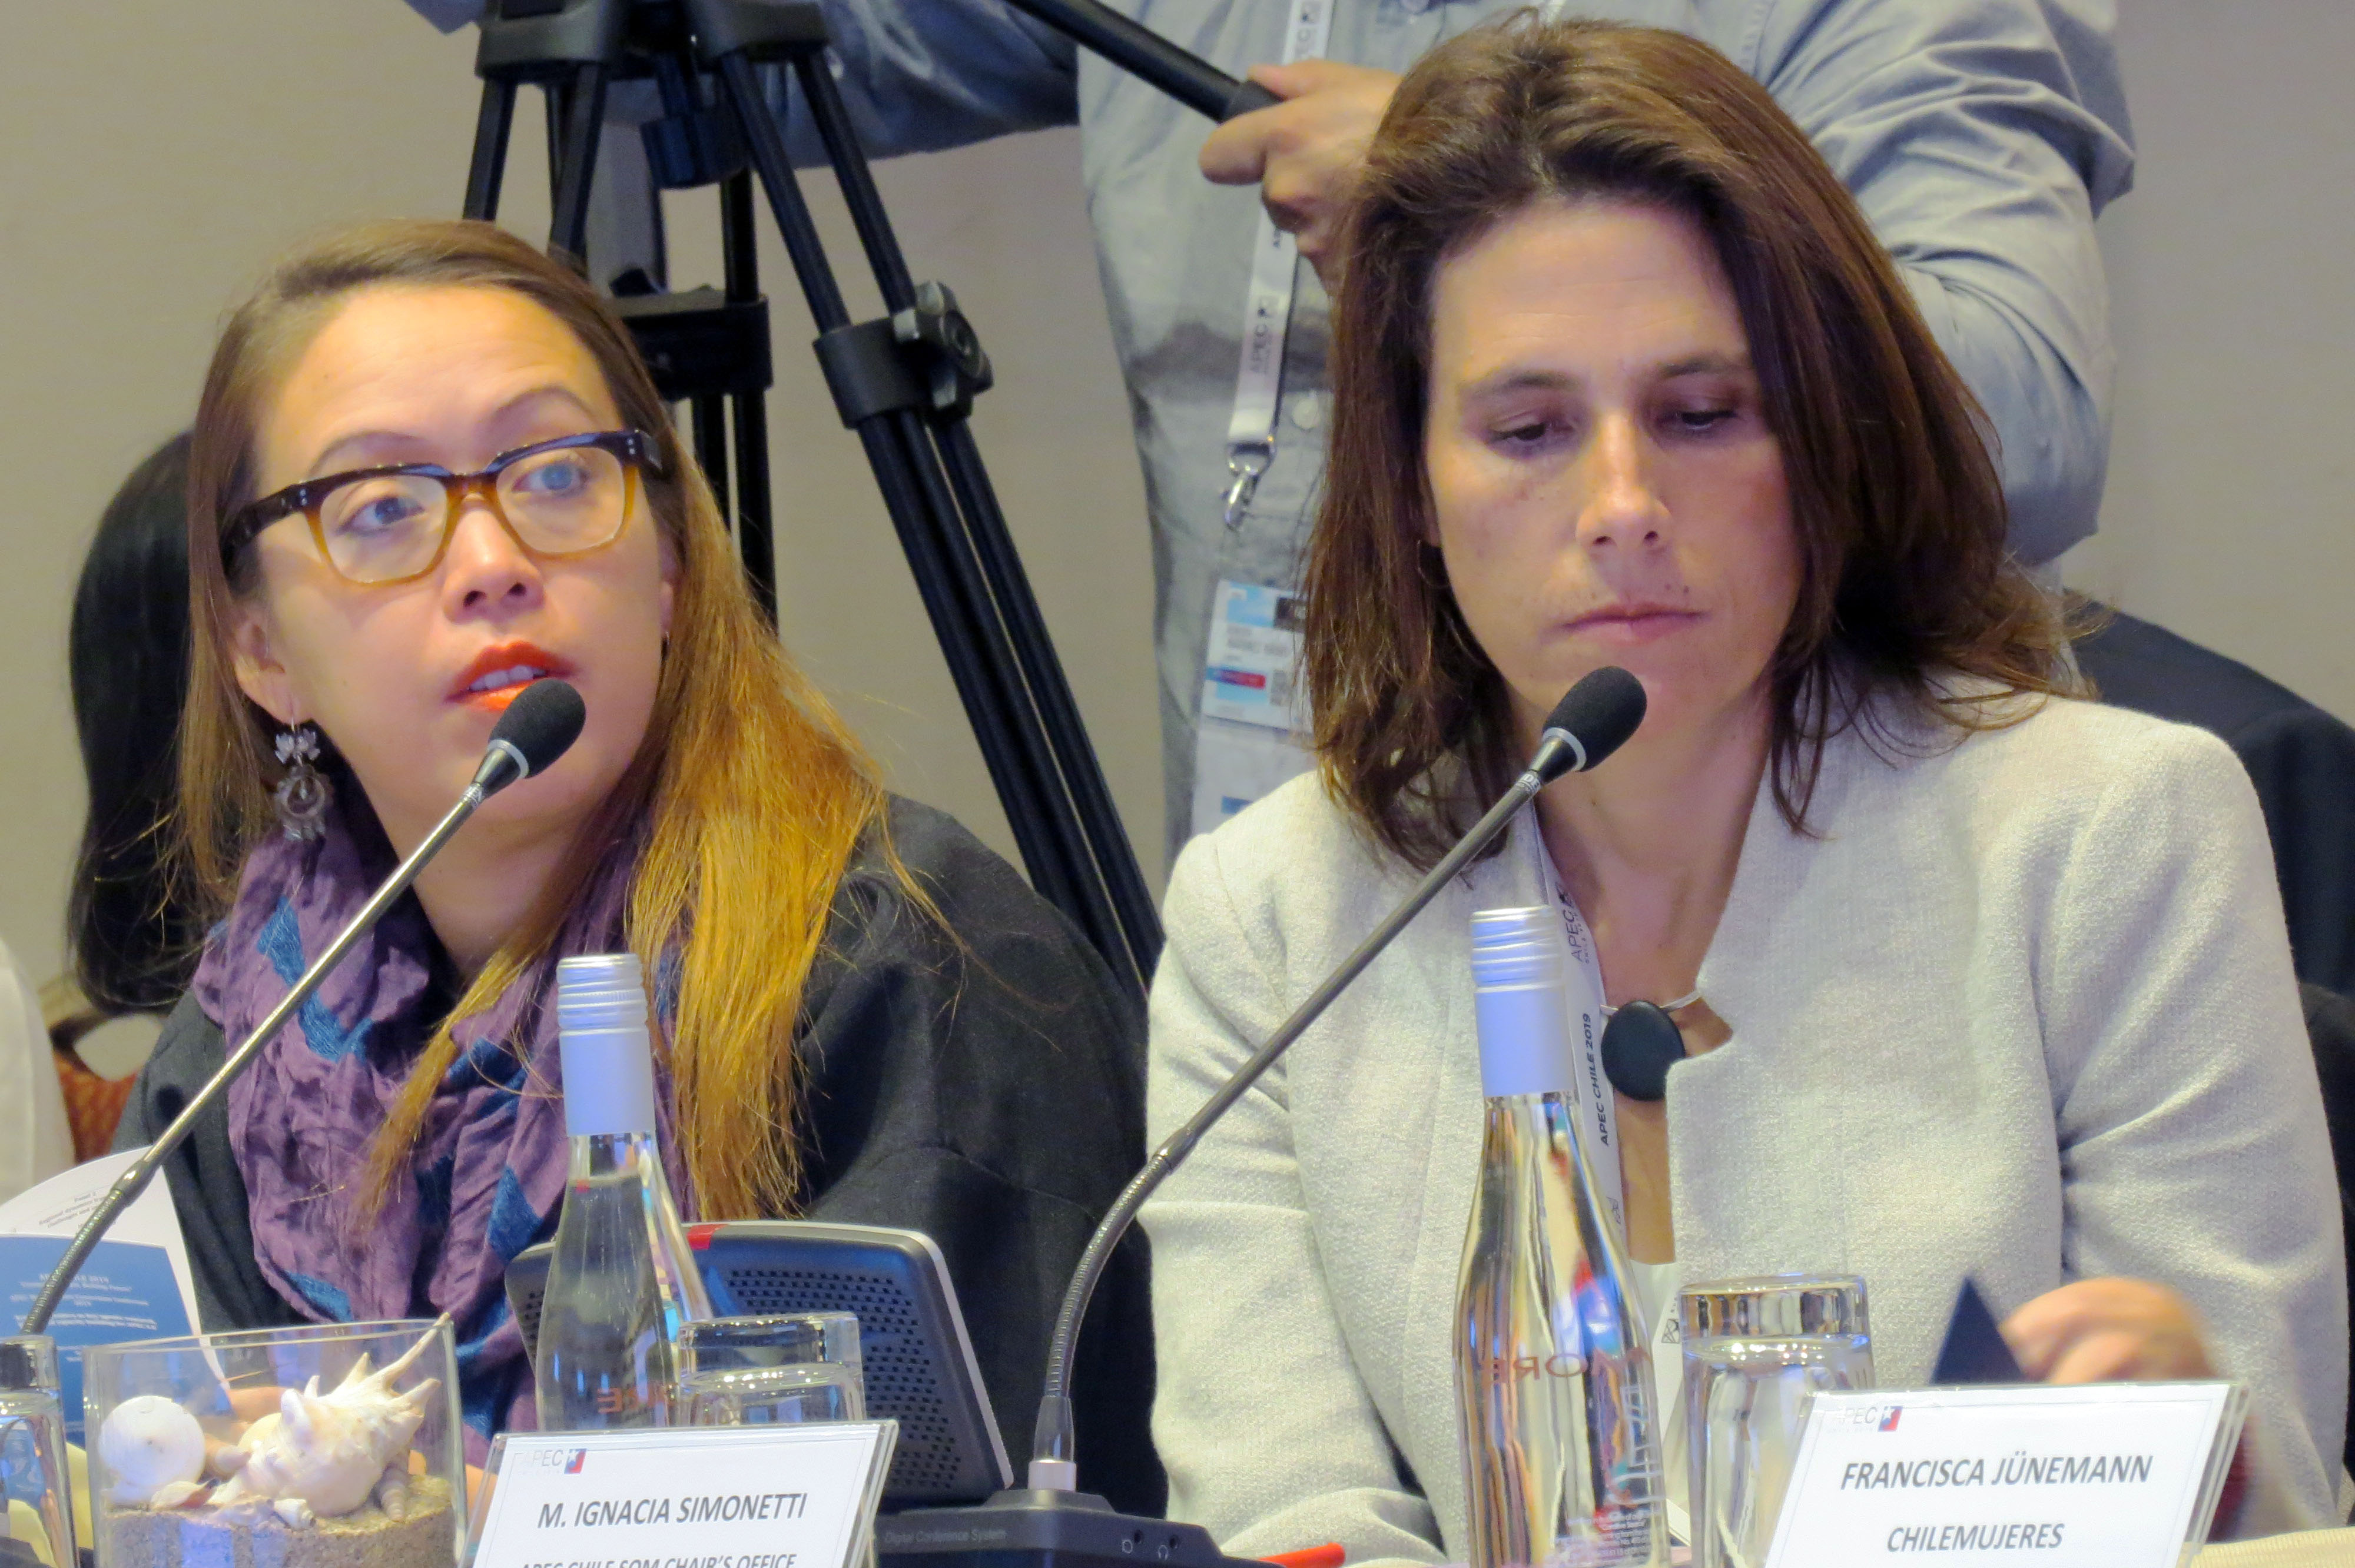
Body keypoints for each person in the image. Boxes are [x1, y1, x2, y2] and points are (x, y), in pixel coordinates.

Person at [1140, 15, 2344, 1554]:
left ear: (1820, 437)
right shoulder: (1272, 921)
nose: (1623, 504)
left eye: (1701, 414)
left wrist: (2195, 1446)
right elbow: (1284, 1515)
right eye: (1528, 429)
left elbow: (2267, 1487)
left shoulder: (2112, 835)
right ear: (1415, 485)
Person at [407, 0, 2132, 858]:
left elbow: (2027, 418)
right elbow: (715, 53)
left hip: (1797, 917)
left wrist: (1482, 207)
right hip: (1304, 900)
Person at [113, 219, 1160, 1510]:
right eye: (380, 508)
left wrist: (452, 1512)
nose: (492, 565)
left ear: (665, 559)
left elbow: (940, 1519)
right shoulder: (251, 1044)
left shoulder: (909, 960)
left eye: (558, 476)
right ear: (259, 648)